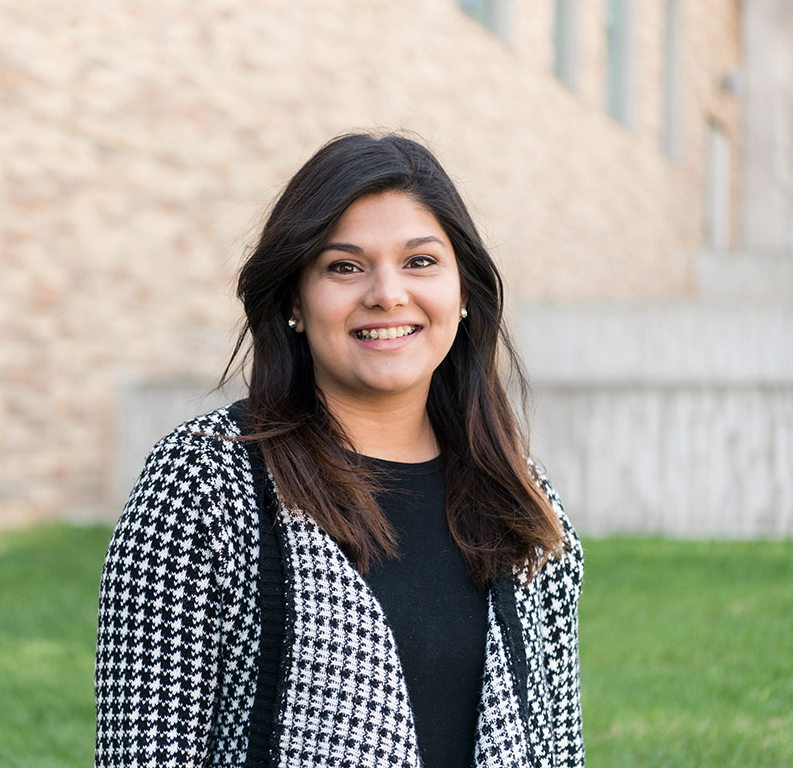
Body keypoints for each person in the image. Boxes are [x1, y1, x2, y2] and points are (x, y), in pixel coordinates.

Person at [94, 132, 584, 768]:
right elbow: (146, 750)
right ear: (295, 301)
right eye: (344, 266)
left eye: (420, 262)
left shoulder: (521, 500)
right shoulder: (204, 482)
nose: (386, 293)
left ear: (463, 295)